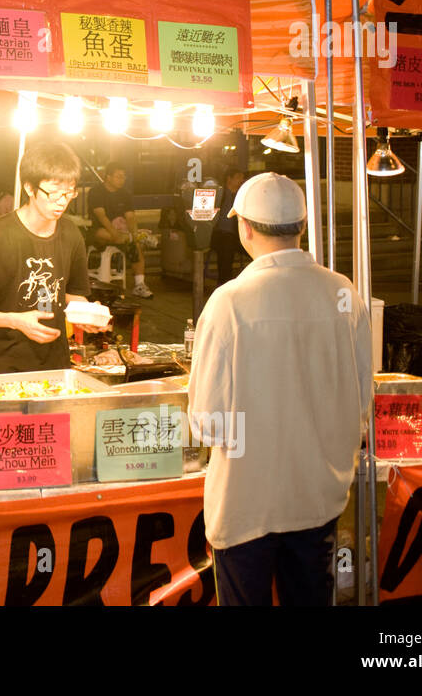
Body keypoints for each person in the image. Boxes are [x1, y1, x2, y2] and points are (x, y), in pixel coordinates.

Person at [187, 172, 371, 606]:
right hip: (318, 502)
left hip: (247, 507)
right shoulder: (343, 293)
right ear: (301, 227)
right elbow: (361, 400)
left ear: (244, 228)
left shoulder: (230, 301)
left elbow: (208, 424)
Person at [0, 140, 100, 374]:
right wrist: (16, 321)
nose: (62, 201)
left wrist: (88, 314)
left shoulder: (72, 234)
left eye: (68, 192)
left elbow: (72, 294)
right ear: (29, 188)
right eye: (53, 193)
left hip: (55, 366)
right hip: (2, 369)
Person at [87, 162, 153, 298]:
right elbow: (101, 216)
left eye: (124, 177)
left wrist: (133, 233)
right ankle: (134, 238)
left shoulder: (125, 194)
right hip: (100, 231)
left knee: (136, 243)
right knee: (106, 234)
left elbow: (130, 217)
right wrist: (115, 234)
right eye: (118, 176)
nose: (122, 180)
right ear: (108, 177)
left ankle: (139, 284)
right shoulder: (96, 192)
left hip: (122, 233)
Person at [210, 167, 245, 286]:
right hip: (219, 235)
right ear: (229, 179)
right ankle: (224, 283)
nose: (241, 180)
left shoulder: (240, 196)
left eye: (242, 178)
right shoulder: (220, 195)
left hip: (237, 235)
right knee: (226, 245)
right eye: (238, 177)